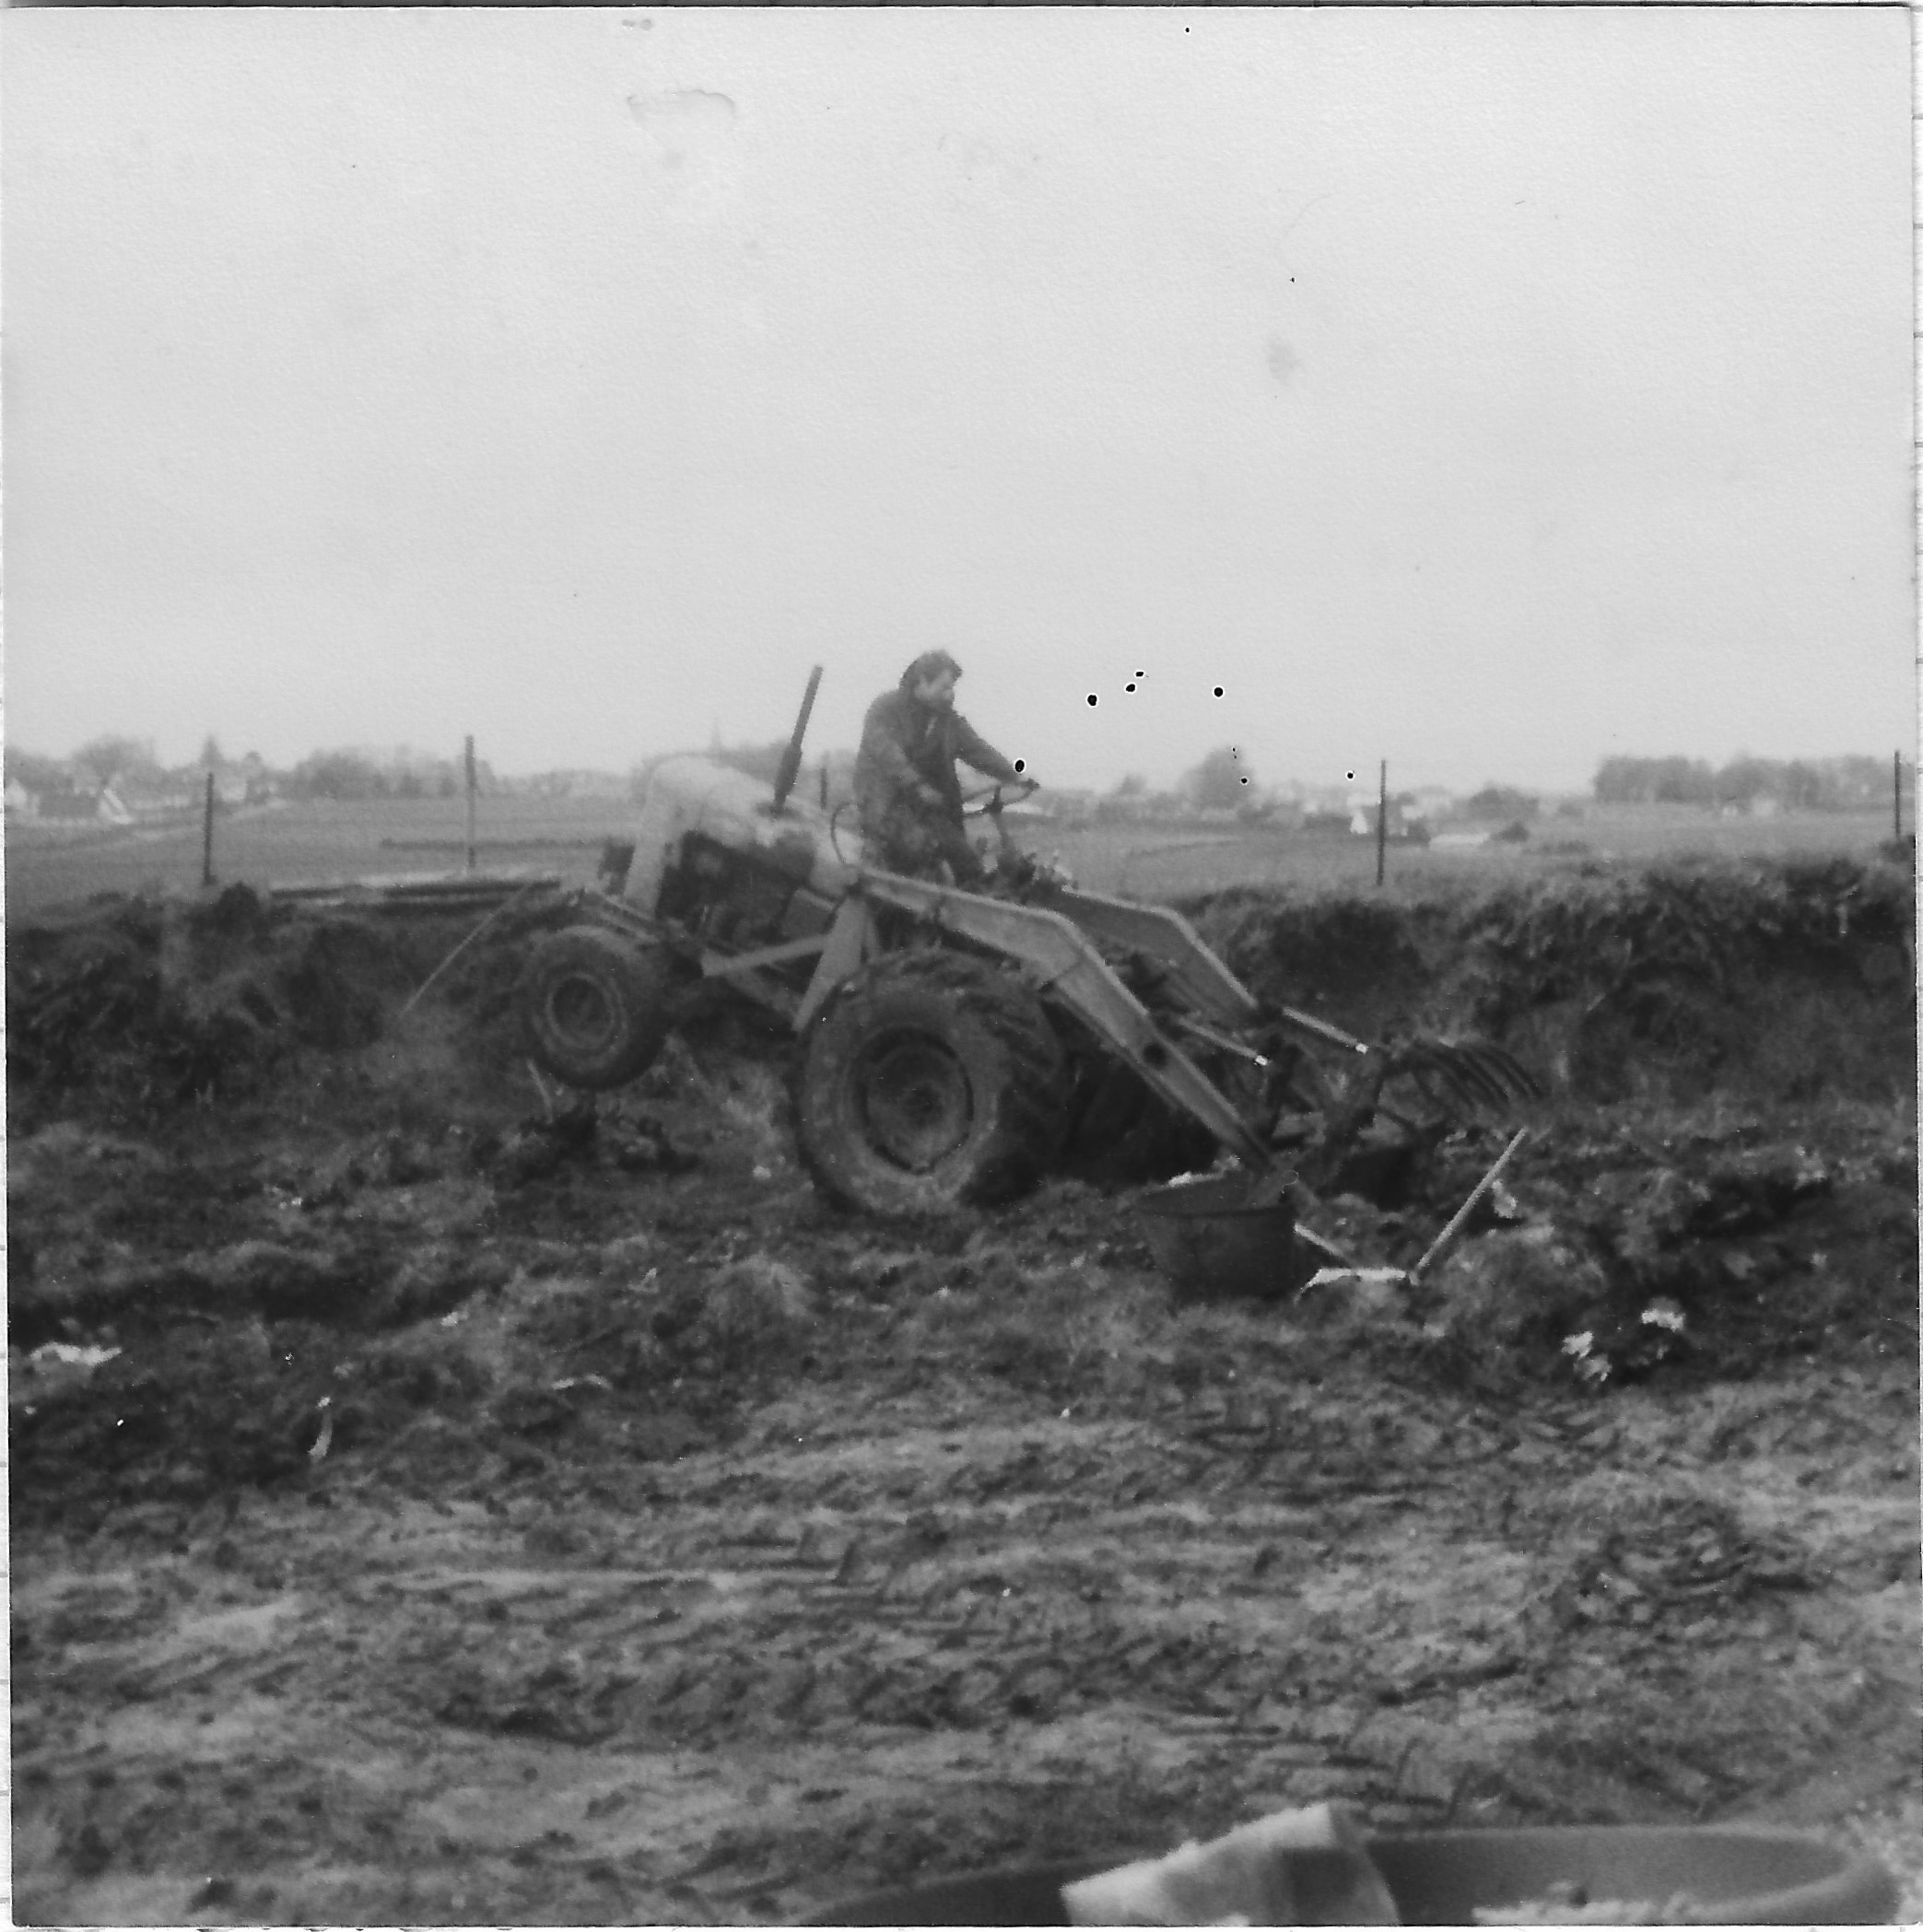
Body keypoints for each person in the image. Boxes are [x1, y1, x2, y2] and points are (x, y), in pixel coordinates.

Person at [854, 650, 1028, 884]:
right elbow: (886, 752)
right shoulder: (886, 709)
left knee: (966, 860)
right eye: (945, 687)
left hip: (925, 807)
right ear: (922, 681)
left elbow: (978, 750)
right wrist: (916, 784)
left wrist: (1014, 776)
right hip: (885, 804)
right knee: (928, 850)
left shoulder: (947, 722)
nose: (950, 694)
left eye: (953, 687)